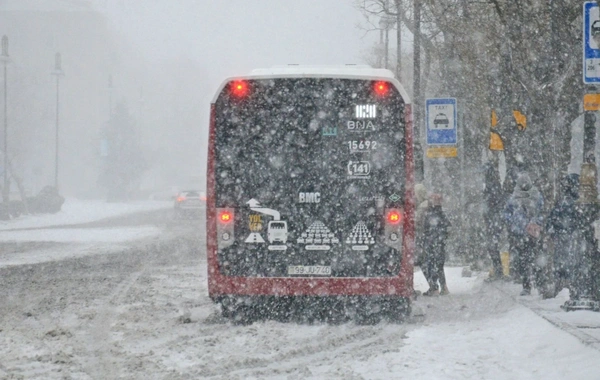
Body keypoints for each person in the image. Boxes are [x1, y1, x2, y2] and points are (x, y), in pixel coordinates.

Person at [503, 172, 544, 296]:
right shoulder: (516, 198)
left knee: (532, 259)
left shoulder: (535, 196)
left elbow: (542, 212)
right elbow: (506, 214)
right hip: (521, 233)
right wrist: (517, 223)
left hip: (531, 233)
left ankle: (535, 283)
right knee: (526, 260)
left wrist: (535, 223)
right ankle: (528, 284)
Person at [545, 174, 581, 298]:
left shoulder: (564, 202)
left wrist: (552, 230)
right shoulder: (575, 202)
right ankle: (567, 286)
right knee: (569, 261)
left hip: (563, 236)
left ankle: (562, 286)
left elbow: (553, 217)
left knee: (562, 261)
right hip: (571, 236)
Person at [422, 193, 451, 296]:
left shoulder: (430, 213)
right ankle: (443, 287)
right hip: (439, 243)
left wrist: (428, 238)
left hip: (431, 242)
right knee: (438, 265)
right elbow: (448, 227)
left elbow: (426, 228)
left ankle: (434, 288)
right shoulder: (442, 213)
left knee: (429, 264)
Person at [483, 161, 506, 281]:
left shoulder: (492, 186)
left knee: (492, 245)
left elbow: (492, 203)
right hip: (494, 219)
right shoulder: (494, 185)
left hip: (494, 219)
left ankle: (498, 270)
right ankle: (498, 269)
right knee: (493, 245)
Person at [414, 184, 430, 288]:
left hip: (421, 237)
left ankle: (433, 286)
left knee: (421, 261)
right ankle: (434, 286)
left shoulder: (423, 207)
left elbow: (417, 222)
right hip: (425, 237)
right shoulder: (426, 204)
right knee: (424, 262)